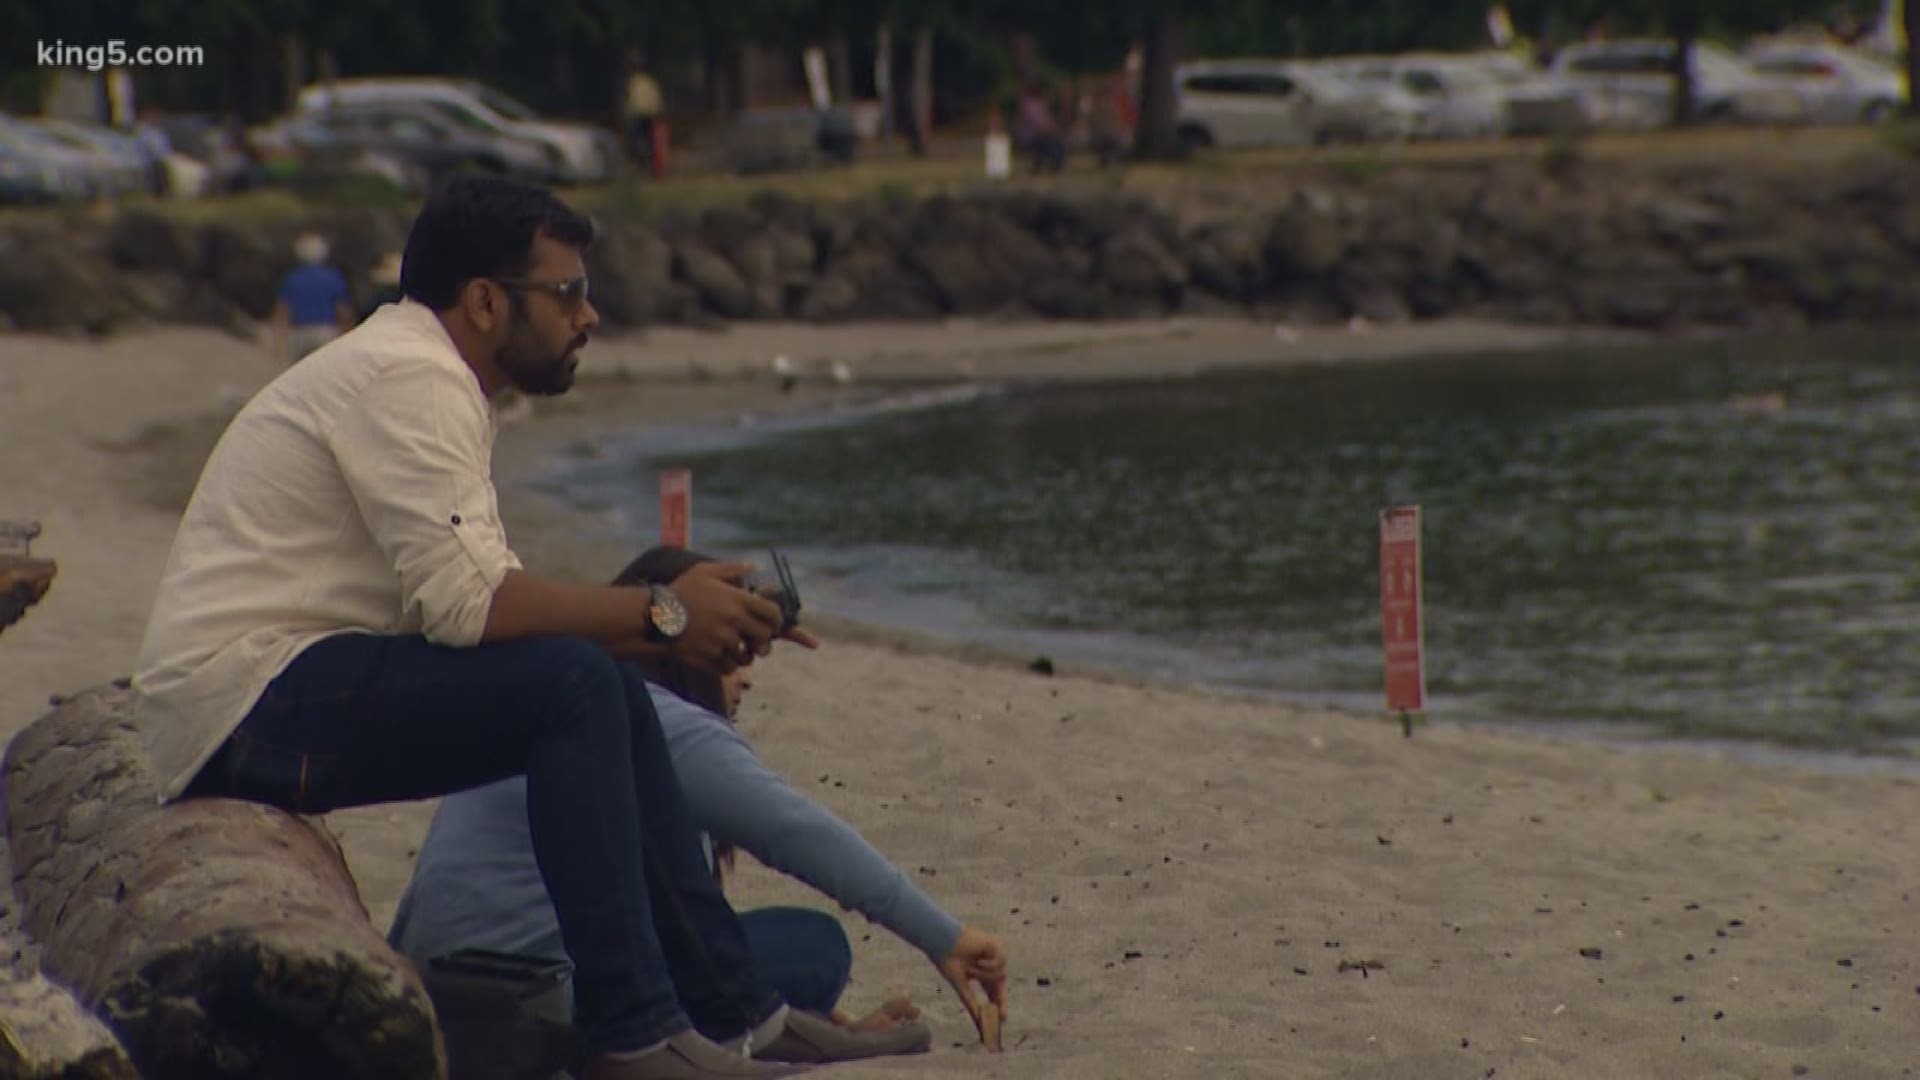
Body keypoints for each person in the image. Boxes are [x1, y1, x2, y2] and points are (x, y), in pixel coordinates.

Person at [131, 174, 957, 1080]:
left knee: (590, 683)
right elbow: (474, 608)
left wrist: (672, 612)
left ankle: (737, 1018)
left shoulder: (426, 377)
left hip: (269, 690)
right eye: (567, 292)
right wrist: (668, 613)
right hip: (246, 705)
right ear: (485, 300)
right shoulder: (414, 380)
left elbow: (481, 602)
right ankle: (639, 1034)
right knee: (572, 685)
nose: (588, 315)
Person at [389, 546, 1011, 1047]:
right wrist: (946, 937)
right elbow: (797, 832)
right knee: (816, 949)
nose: (743, 676)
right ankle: (775, 1031)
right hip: (541, 1002)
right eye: (732, 652)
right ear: (683, 647)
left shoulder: (552, 699)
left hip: (431, 991)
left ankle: (797, 1029)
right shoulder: (653, 720)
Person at [272, 233, 353, 363]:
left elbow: (283, 310)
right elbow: (343, 310)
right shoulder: (333, 277)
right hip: (326, 330)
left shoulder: (293, 278)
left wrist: (279, 340)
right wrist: (347, 333)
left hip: (300, 331)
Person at [623, 57, 665, 173]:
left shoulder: (633, 81)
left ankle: (641, 164)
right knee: (648, 142)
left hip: (639, 114)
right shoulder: (651, 81)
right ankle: (647, 164)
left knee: (633, 140)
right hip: (650, 114)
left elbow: (630, 99)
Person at [1013, 84, 1066, 174]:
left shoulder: (1041, 106)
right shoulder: (1032, 106)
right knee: (1051, 142)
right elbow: (1038, 126)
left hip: (1040, 135)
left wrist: (1054, 129)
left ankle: (1051, 166)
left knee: (1056, 141)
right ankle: (1053, 166)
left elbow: (1048, 122)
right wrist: (1051, 129)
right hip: (1030, 137)